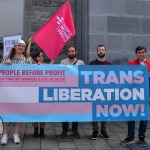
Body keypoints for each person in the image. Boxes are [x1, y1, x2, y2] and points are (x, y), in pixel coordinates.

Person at [0, 39, 32, 145]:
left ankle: (16, 134)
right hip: (8, 91)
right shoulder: (7, 57)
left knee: (18, 112)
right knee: (6, 111)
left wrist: (30, 43)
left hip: (21, 90)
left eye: (23, 46)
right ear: (15, 47)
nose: (21, 48)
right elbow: (1, 70)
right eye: (19, 46)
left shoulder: (27, 59)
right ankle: (5, 134)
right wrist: (4, 64)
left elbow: (32, 70)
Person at [120, 46, 150, 147]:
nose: (141, 54)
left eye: (143, 52)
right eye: (139, 53)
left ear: (145, 53)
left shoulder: (149, 64)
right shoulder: (131, 64)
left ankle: (141, 137)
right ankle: (130, 137)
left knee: (144, 116)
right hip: (133, 95)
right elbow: (128, 79)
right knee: (131, 115)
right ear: (136, 54)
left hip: (146, 96)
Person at [60, 46, 84, 139]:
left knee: (75, 111)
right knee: (64, 111)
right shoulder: (63, 62)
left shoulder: (81, 63)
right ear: (67, 53)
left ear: (76, 52)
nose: (71, 53)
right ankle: (64, 130)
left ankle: (75, 130)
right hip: (65, 90)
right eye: (69, 51)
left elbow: (83, 76)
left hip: (76, 90)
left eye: (72, 51)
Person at [90, 44, 111, 140]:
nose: (101, 51)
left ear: (105, 51)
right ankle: (95, 130)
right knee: (94, 112)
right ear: (97, 51)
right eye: (99, 50)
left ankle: (103, 130)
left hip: (105, 92)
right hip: (94, 92)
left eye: (103, 50)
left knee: (105, 111)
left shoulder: (109, 64)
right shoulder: (92, 63)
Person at [32, 50, 46, 138]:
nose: (41, 57)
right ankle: (35, 129)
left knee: (43, 111)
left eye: (42, 56)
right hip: (33, 92)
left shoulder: (47, 66)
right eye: (40, 56)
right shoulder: (32, 66)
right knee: (34, 111)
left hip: (43, 92)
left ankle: (42, 129)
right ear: (36, 57)